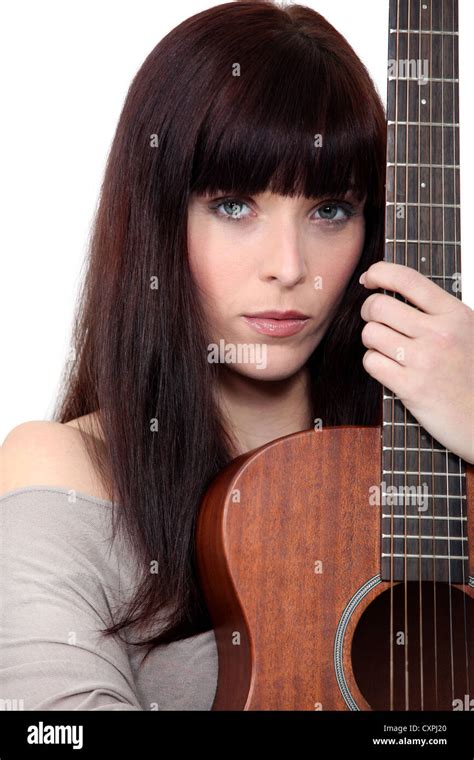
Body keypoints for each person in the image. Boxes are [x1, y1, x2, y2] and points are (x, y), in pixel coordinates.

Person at [0, 0, 472, 711]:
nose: (289, 267)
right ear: (157, 219)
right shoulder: (70, 472)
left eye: (330, 210)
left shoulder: (442, 480)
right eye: (233, 205)